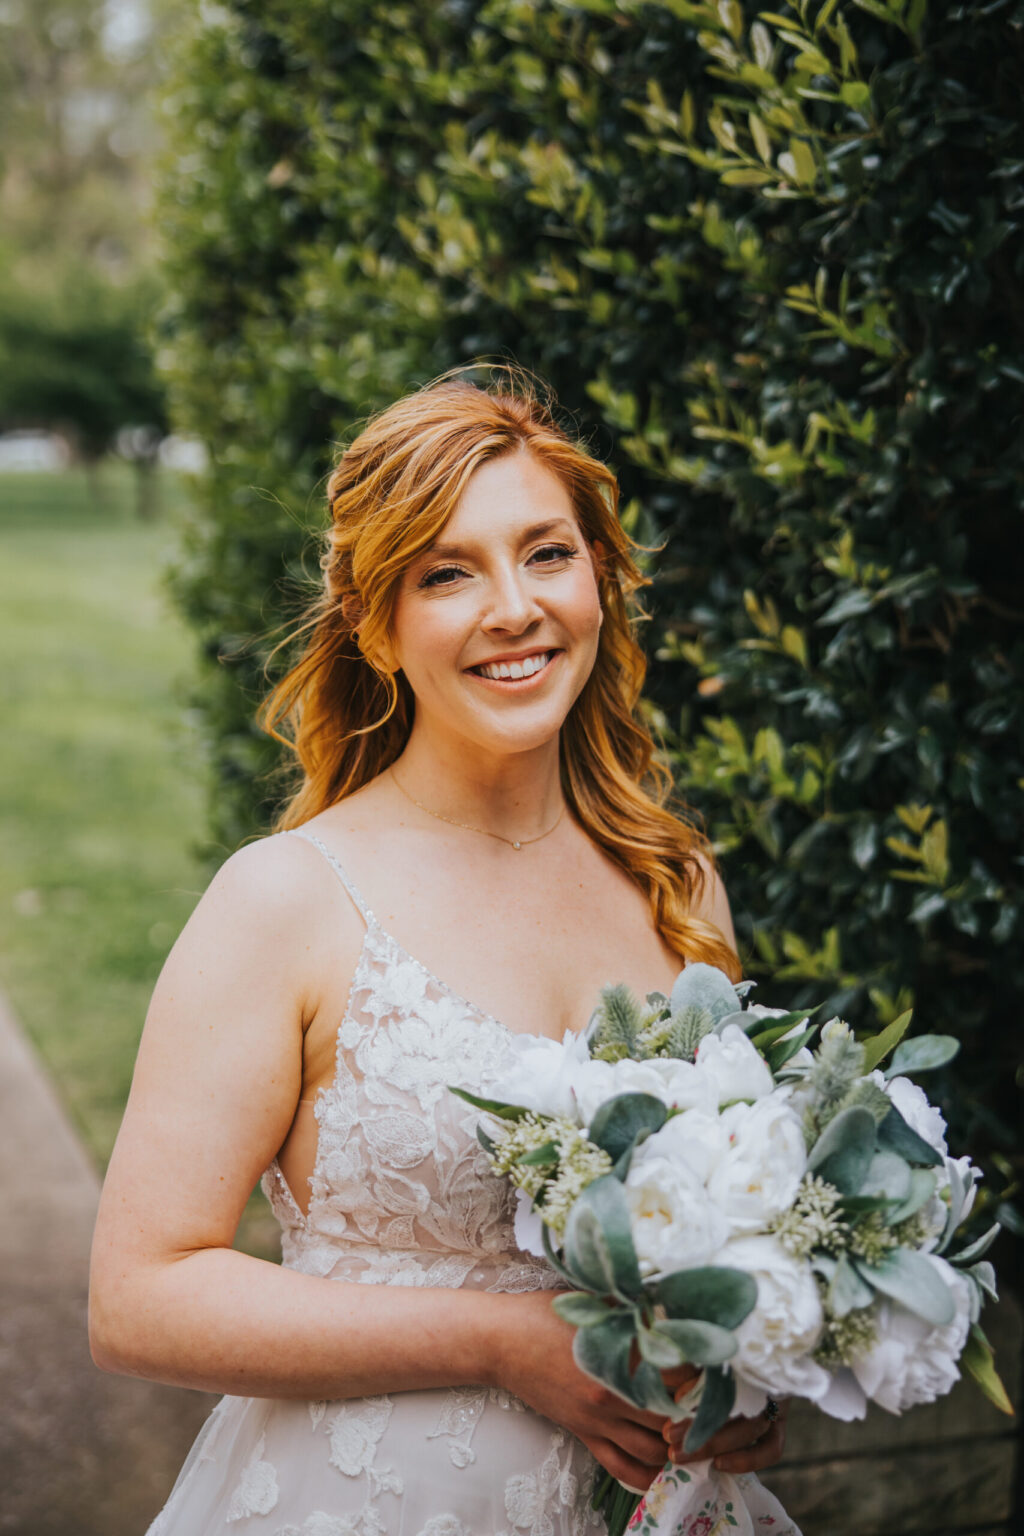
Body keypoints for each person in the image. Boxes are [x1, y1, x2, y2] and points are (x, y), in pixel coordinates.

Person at [89, 370, 788, 1536]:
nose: (513, 608)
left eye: (548, 555)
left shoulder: (677, 885)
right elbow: (137, 1298)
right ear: (375, 622)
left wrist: (739, 1370)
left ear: (602, 580)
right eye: (447, 573)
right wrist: (499, 1339)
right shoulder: (288, 901)